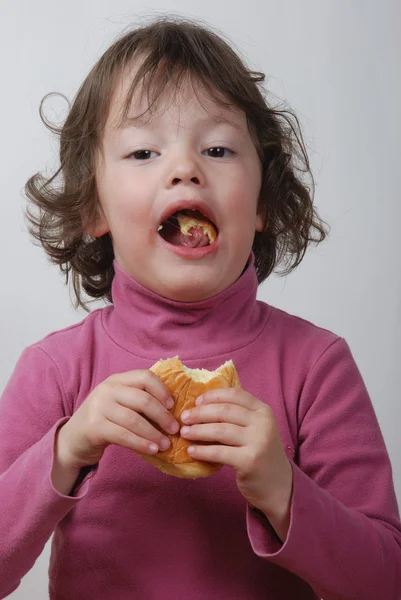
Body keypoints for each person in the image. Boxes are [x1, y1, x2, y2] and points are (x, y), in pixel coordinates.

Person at [0, 14, 400, 600]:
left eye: (217, 148)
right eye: (142, 152)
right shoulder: (58, 370)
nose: (184, 168)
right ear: (95, 210)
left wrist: (282, 490)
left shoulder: (316, 366)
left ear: (261, 202)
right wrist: (67, 450)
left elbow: (386, 580)